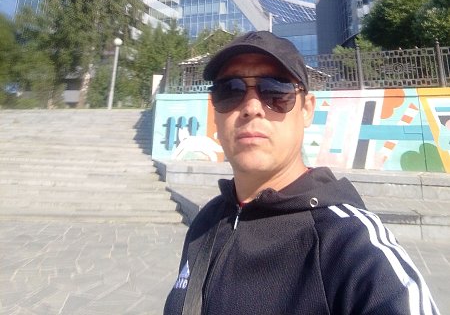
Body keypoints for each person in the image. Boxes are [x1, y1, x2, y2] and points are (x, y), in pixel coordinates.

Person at [164, 31, 440, 315]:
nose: (251, 108)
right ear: (215, 111)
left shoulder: (351, 244)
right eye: (230, 90)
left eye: (275, 90)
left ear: (307, 109)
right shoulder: (206, 222)